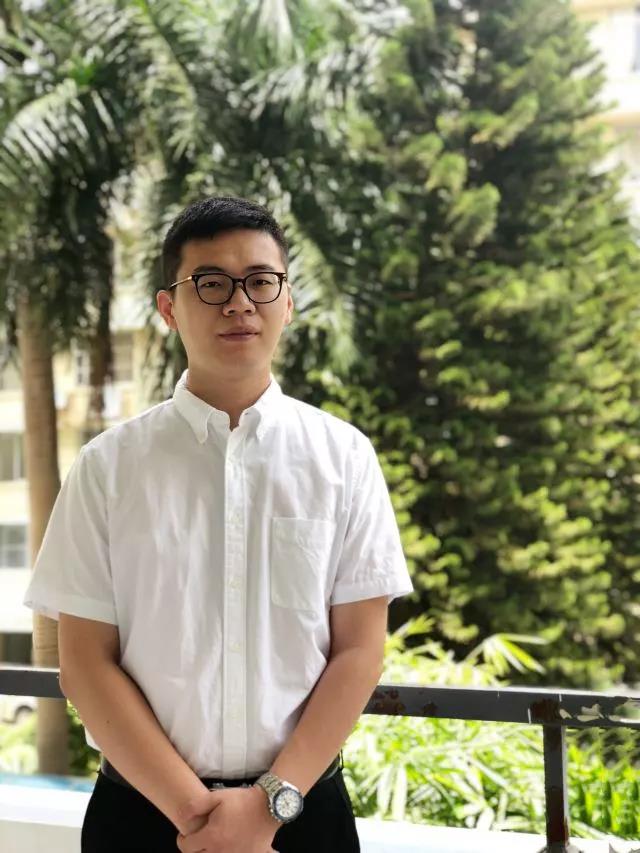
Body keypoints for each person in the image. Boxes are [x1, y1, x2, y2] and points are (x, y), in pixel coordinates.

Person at [23, 195, 414, 852]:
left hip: (301, 811)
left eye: (261, 282)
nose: (240, 303)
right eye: (211, 283)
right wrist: (197, 814)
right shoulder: (107, 466)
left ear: (288, 302)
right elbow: (84, 662)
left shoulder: (344, 457)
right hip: (141, 816)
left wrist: (268, 805)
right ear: (169, 307)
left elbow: (359, 651)